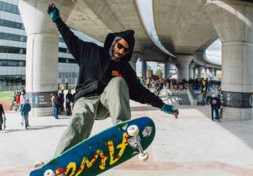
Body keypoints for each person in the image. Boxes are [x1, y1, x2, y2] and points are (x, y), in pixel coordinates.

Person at [47, 3, 179, 157]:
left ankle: (123, 130)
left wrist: (162, 105)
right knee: (80, 118)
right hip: (85, 99)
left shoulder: (124, 68)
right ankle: (58, 161)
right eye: (119, 46)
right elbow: (70, 38)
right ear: (113, 42)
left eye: (125, 50)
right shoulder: (90, 51)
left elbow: (140, 92)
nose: (121, 51)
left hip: (106, 104)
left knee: (118, 82)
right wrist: (57, 20)